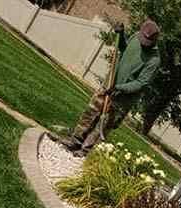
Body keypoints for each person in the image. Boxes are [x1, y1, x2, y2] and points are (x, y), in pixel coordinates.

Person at [60, 19, 161, 155]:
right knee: (90, 113)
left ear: (154, 41)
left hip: (121, 98)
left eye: (146, 42)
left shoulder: (154, 60)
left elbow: (140, 83)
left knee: (103, 124)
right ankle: (75, 140)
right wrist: (120, 34)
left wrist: (119, 88)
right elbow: (124, 49)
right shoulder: (136, 37)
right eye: (142, 39)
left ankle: (85, 151)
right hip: (108, 85)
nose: (143, 43)